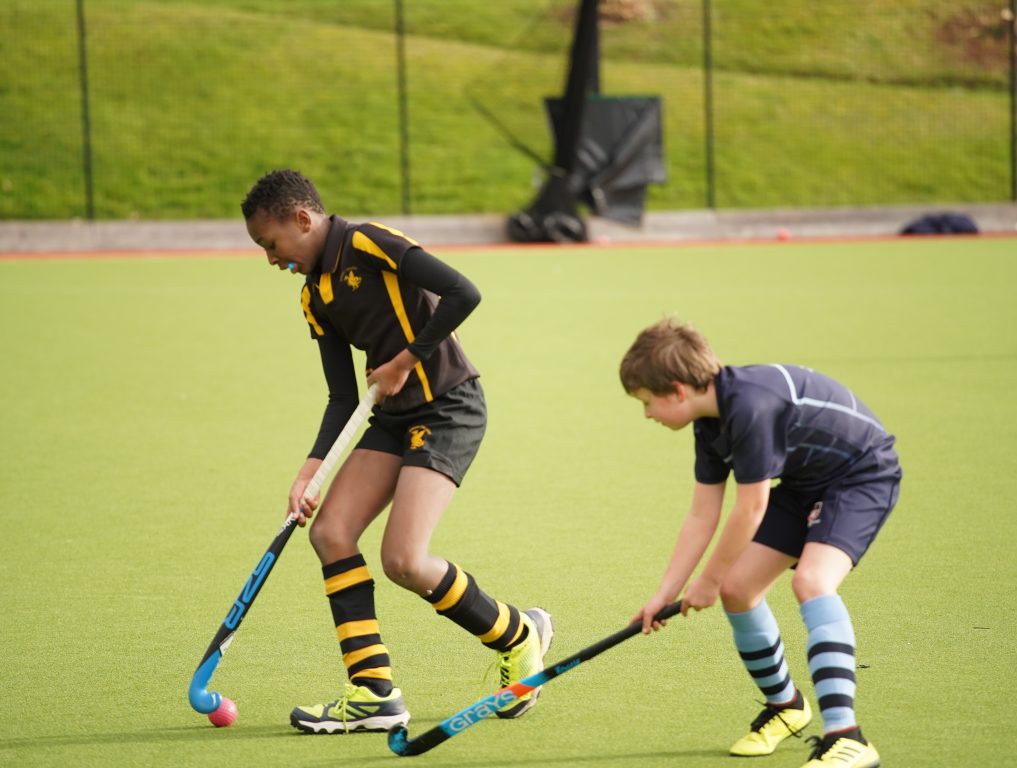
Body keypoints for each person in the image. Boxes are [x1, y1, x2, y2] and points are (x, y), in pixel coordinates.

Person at [240, 169, 553, 734]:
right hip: (390, 420)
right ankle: (372, 692)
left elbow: (464, 292)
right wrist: (310, 471)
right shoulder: (315, 297)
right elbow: (341, 397)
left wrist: (406, 359)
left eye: (271, 243)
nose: (270, 258)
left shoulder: (368, 242)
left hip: (449, 406)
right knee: (330, 532)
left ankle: (517, 635)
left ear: (302, 220)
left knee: (404, 560)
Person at [621, 319, 899, 768]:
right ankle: (786, 707)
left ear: (676, 390)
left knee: (811, 582)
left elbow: (750, 509)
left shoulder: (751, 406)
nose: (648, 414)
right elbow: (702, 514)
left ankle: (849, 738)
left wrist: (706, 581)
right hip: (804, 483)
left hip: (860, 475)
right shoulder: (709, 422)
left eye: (648, 402)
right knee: (739, 589)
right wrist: (665, 593)